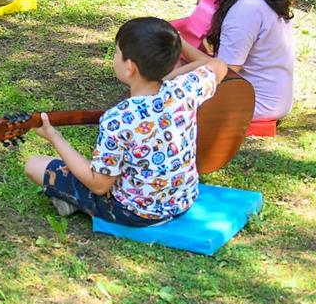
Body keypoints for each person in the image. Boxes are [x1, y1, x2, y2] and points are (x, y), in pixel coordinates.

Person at [22, 17, 230, 226]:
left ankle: (73, 201)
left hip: (136, 213)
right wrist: (172, 75)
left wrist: (54, 137)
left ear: (130, 67)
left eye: (116, 53)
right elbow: (218, 65)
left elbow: (99, 185)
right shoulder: (184, 90)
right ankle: (71, 201)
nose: (114, 58)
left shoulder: (118, 118)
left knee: (34, 165)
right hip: (181, 201)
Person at [174, 0, 295, 122]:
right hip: (268, 101)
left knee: (167, 74)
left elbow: (225, 72)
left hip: (256, 105)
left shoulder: (245, 8)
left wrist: (178, 45)